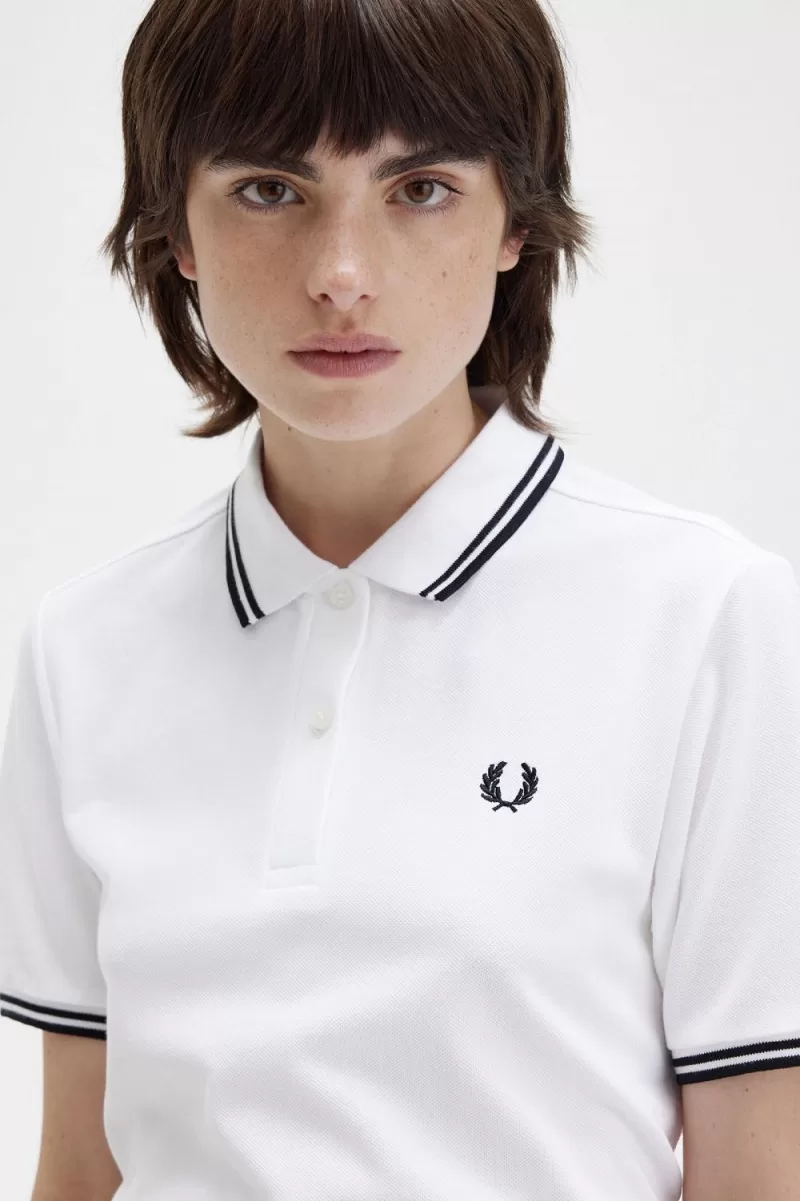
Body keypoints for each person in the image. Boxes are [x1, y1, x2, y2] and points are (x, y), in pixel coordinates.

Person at [2, 1, 800, 1199]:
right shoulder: (84, 647)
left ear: (514, 223)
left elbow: (757, 1171)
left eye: (419, 188)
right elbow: (79, 1165)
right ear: (175, 229)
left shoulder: (706, 621)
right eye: (269, 189)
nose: (341, 276)